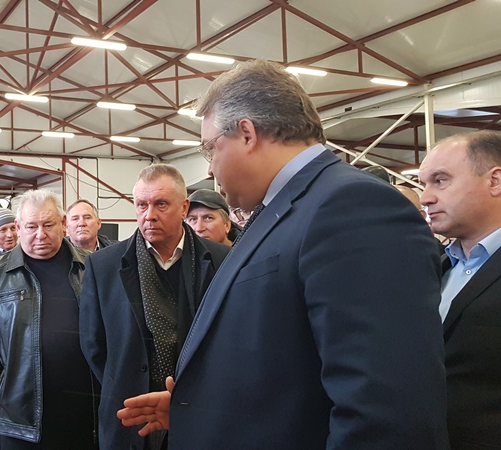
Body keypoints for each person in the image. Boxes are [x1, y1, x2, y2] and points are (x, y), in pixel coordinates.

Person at [117, 60, 447, 448]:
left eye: (210, 149)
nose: (211, 169)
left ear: (246, 134)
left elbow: (385, 412)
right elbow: (290, 370)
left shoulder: (352, 206)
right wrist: (202, 408)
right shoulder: (286, 210)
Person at [80, 164, 229, 450]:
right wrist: (125, 382)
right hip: (130, 413)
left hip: (200, 412)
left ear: (184, 208)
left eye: (161, 204)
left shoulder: (222, 260)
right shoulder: (103, 266)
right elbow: (93, 345)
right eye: (141, 205)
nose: (149, 215)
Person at [0, 189, 97, 449]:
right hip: (21, 420)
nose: (40, 234)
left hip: (87, 415)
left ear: (63, 224)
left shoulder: (93, 267)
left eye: (48, 225)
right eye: (32, 226)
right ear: (19, 227)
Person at [419, 130, 501, 449]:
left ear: (495, 181)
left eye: (440, 181)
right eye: (424, 184)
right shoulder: (436, 268)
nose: (425, 197)